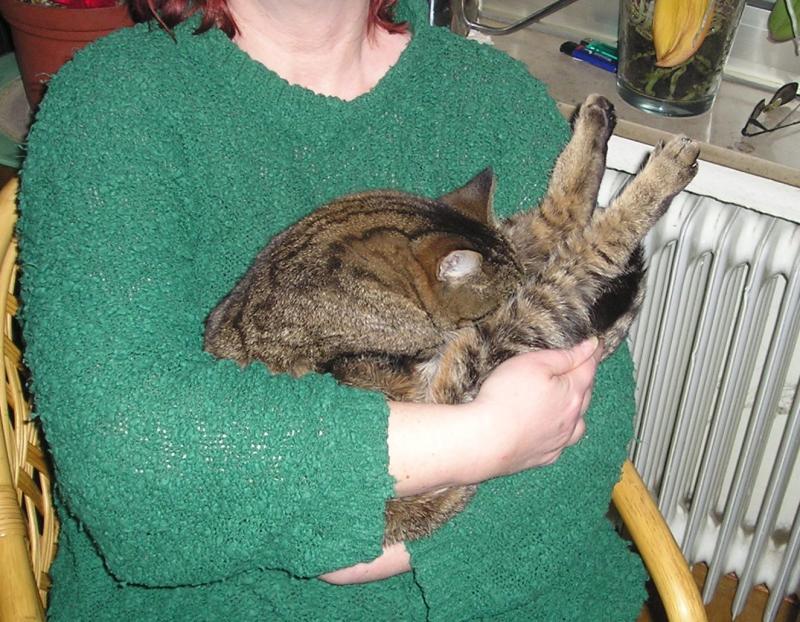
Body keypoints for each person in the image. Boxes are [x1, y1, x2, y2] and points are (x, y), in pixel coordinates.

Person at [17, 0, 646, 619]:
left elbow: (595, 407)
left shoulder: (492, 95)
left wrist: (407, 548)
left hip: (524, 584)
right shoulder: (114, 104)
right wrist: (490, 437)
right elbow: (135, 460)